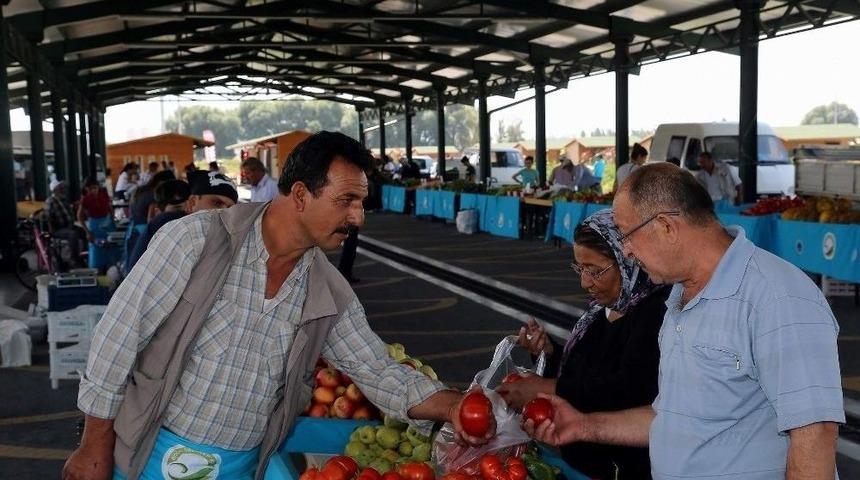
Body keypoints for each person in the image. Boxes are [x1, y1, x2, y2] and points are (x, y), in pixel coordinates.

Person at [65, 131, 495, 480]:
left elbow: (378, 370)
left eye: (362, 202)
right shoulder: (197, 241)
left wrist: (453, 405)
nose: (359, 217)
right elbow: (118, 338)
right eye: (346, 201)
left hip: (242, 465)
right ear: (302, 194)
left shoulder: (329, 290)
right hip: (148, 456)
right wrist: (93, 447)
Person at [524, 163, 844, 480]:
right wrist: (582, 425)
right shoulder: (679, 296)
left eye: (627, 236)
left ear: (666, 226)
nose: (627, 251)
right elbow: (670, 418)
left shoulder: (776, 297)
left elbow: (814, 434)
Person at [498, 210, 669, 479]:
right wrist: (549, 353)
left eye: (595, 271)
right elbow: (586, 374)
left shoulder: (657, 313)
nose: (585, 282)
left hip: (624, 469)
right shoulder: (603, 309)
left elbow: (630, 389)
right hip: (580, 460)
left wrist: (543, 387)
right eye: (580, 268)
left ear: (629, 259)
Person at [127, 171, 239, 271]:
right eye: (216, 203)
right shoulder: (169, 224)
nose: (224, 211)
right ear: (192, 203)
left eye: (230, 208)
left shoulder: (230, 238)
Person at [45, 179, 86, 268]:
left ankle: (84, 256)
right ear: (55, 189)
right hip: (58, 229)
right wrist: (51, 229)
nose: (63, 189)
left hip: (69, 226)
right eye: (60, 187)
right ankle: (74, 259)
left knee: (84, 232)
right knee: (72, 235)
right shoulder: (50, 201)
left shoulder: (64, 200)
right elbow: (47, 216)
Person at [77, 177, 113, 244]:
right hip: (94, 226)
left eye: (95, 187)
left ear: (98, 186)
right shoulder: (85, 199)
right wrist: (87, 232)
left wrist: (112, 220)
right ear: (86, 189)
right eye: (90, 189)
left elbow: (110, 208)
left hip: (107, 223)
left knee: (110, 245)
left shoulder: (104, 195)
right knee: (96, 247)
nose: (93, 190)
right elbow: (79, 217)